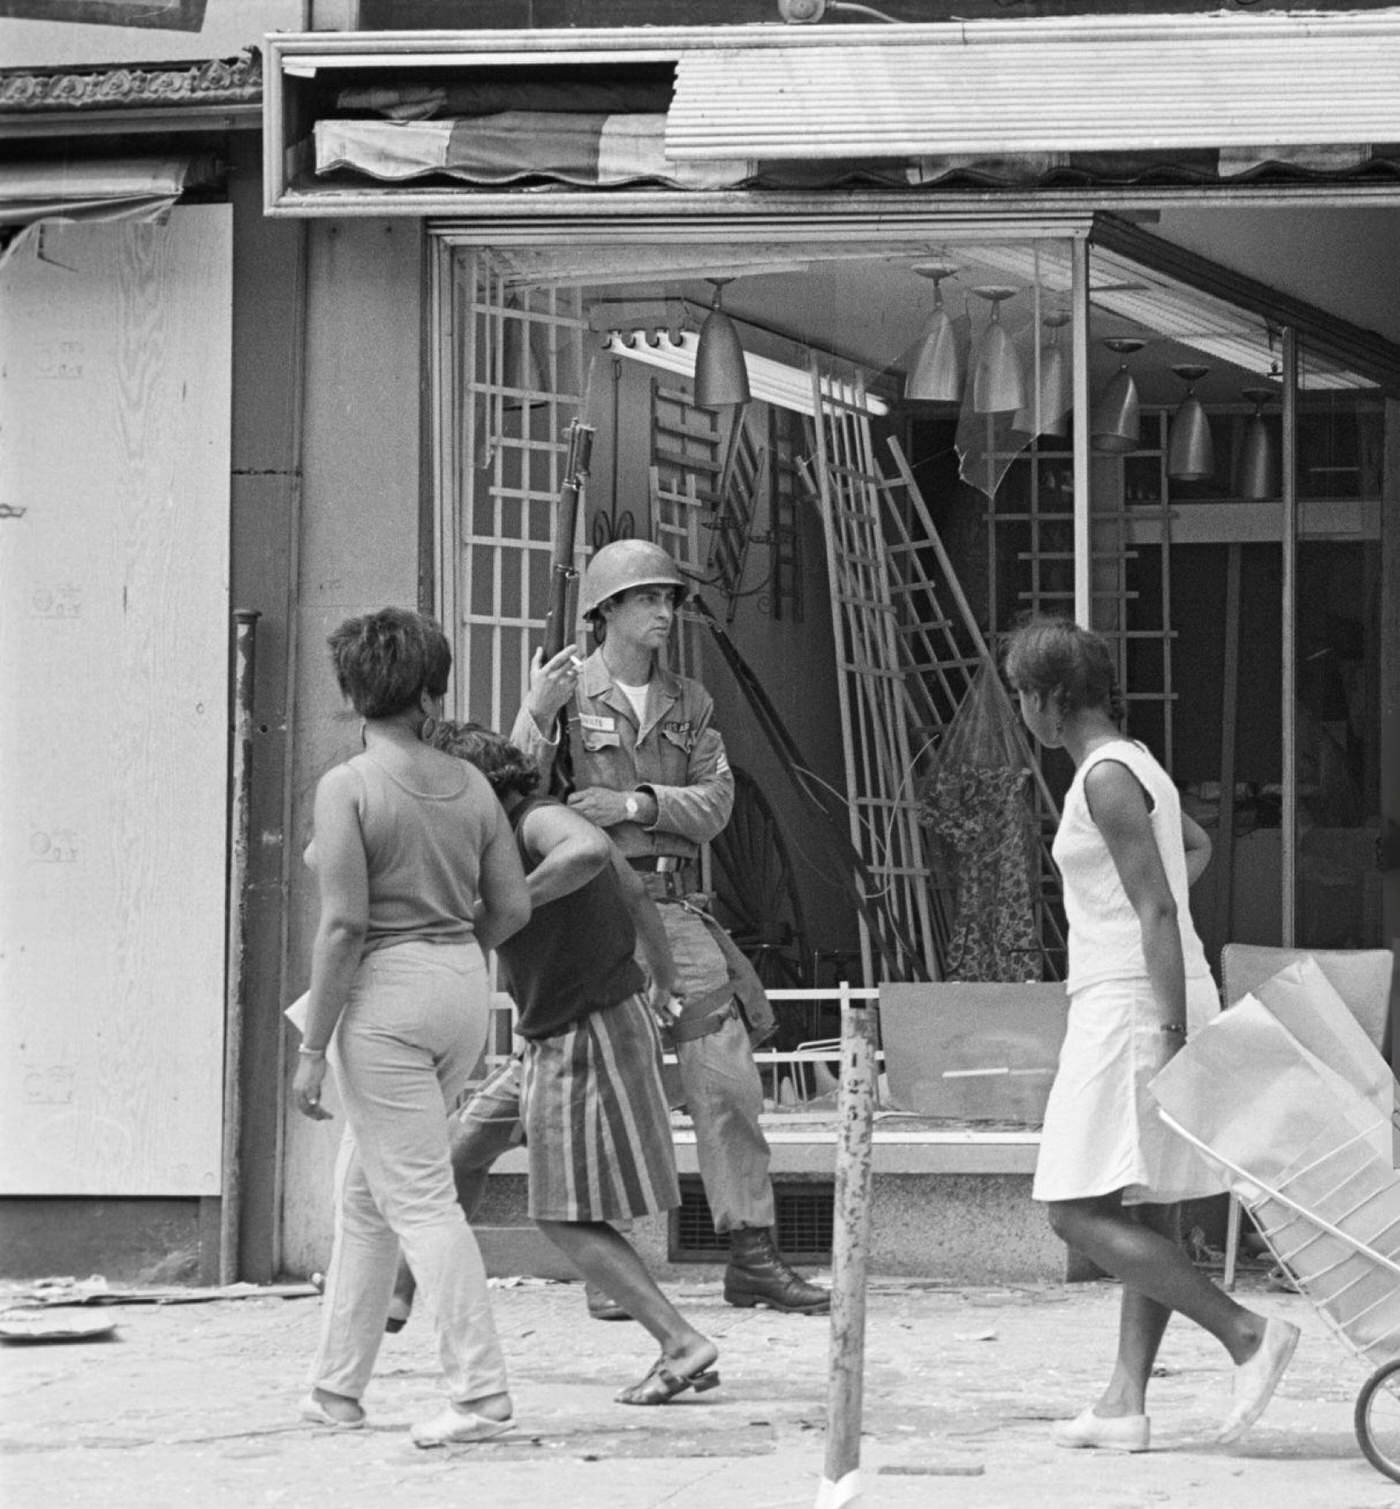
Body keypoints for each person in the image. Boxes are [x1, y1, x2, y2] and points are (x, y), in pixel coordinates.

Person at [1003, 614, 1300, 1454]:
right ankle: (1124, 1400)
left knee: (1070, 1209)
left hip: (1131, 1002)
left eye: (1026, 695)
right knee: (1149, 1204)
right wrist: (1141, 919)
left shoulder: (1102, 777)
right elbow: (1190, 852)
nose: (1023, 710)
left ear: (1054, 701)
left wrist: (1168, 1026)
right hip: (1143, 989)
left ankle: (1246, 1332)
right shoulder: (1138, 767)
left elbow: (1159, 906)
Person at [510, 538, 829, 1316]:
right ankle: (612, 1269)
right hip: (590, 906)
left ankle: (751, 1250)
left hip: (673, 903)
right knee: (606, 1081)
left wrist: (633, 804)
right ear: (606, 609)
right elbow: (513, 791)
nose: (664, 612)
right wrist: (533, 715)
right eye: (648, 597)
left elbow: (715, 804)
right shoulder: (565, 690)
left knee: (725, 1074)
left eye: (669, 599)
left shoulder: (691, 703)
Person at [400, 721, 720, 1403]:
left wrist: (507, 904)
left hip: (587, 1031)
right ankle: (397, 1291)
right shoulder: (490, 840)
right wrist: (662, 976)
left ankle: (681, 1342)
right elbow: (634, 895)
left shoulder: (535, 820)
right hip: (550, 1034)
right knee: (463, 1146)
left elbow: (588, 851)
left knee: (563, 1215)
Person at [292, 608, 532, 1448]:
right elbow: (512, 904)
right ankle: (336, 1388)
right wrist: (452, 951)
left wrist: (311, 1049)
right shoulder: (471, 786)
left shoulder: (347, 786)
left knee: (420, 1199)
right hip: (461, 981)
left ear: (353, 690)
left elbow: (342, 926)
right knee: (368, 1193)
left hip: (384, 996)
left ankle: (481, 1391)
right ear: (432, 689)